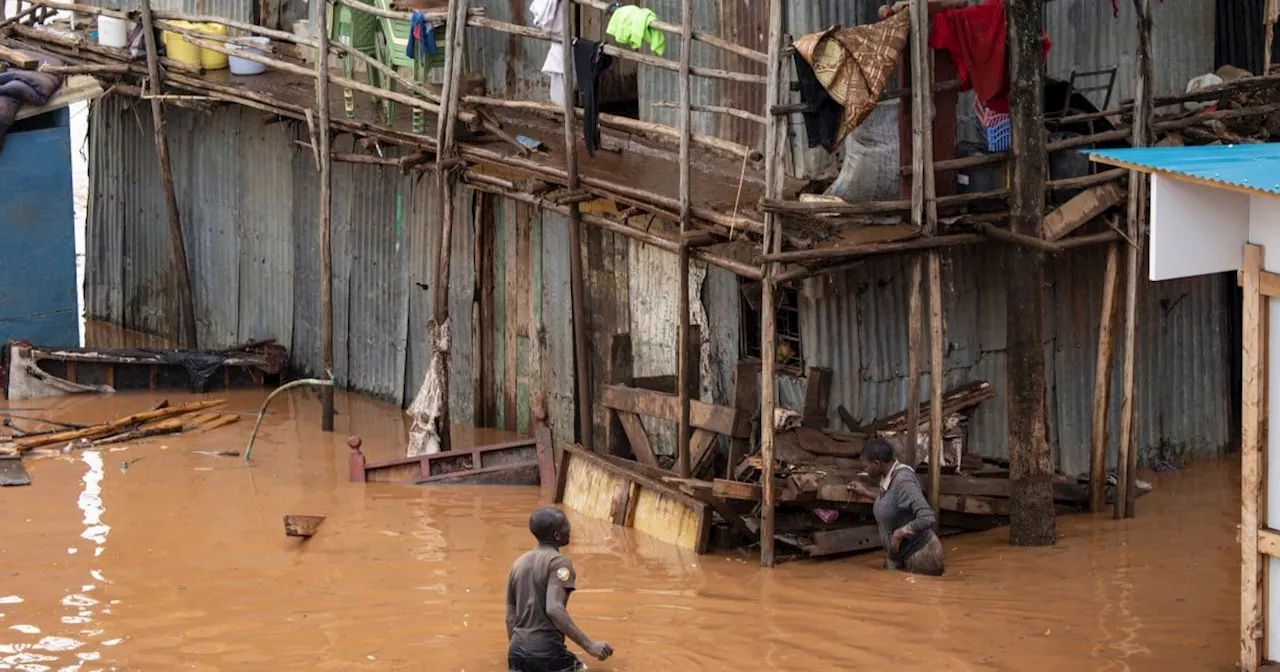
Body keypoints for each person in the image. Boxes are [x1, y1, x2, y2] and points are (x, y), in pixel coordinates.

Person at [506, 507, 613, 672]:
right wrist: (590, 646)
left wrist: (522, 651)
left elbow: (510, 617)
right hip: (546, 650)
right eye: (566, 525)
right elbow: (554, 609)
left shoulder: (518, 564)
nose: (570, 528)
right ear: (556, 535)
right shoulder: (559, 563)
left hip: (516, 651)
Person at [849, 437, 945, 576]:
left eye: (866, 465)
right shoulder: (888, 477)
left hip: (921, 554)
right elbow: (892, 503)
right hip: (899, 555)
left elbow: (927, 517)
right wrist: (866, 493)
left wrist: (900, 533)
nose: (865, 469)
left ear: (877, 463)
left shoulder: (903, 480)